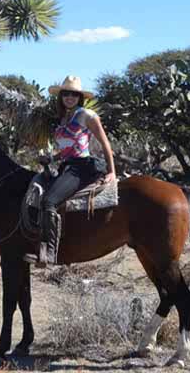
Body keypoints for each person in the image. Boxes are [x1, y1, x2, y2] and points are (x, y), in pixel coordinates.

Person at [25, 75, 117, 267]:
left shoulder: (87, 115)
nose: (69, 97)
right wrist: (52, 158)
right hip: (67, 166)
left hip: (82, 168)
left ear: (79, 97)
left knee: (50, 201)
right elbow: (68, 150)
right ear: (61, 96)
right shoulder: (64, 118)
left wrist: (112, 171)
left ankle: (50, 252)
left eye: (74, 94)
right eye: (66, 94)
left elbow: (104, 143)